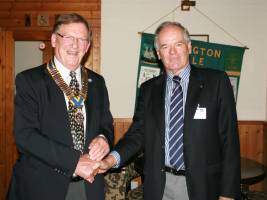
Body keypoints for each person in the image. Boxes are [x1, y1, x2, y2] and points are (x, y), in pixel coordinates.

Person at [99, 21, 240, 200]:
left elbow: (230, 142)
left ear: (189, 47)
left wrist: (227, 193)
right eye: (165, 46)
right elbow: (138, 134)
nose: (172, 52)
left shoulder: (217, 82)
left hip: (202, 186)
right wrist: (111, 159)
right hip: (159, 186)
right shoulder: (148, 89)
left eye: (178, 44)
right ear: (159, 54)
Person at [7, 13, 114, 200]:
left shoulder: (96, 82)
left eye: (82, 39)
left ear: (88, 46)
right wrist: (74, 162)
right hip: (43, 186)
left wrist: (104, 138)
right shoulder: (30, 81)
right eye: (69, 37)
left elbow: (106, 122)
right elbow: (25, 136)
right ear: (54, 40)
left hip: (89, 186)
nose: (75, 45)